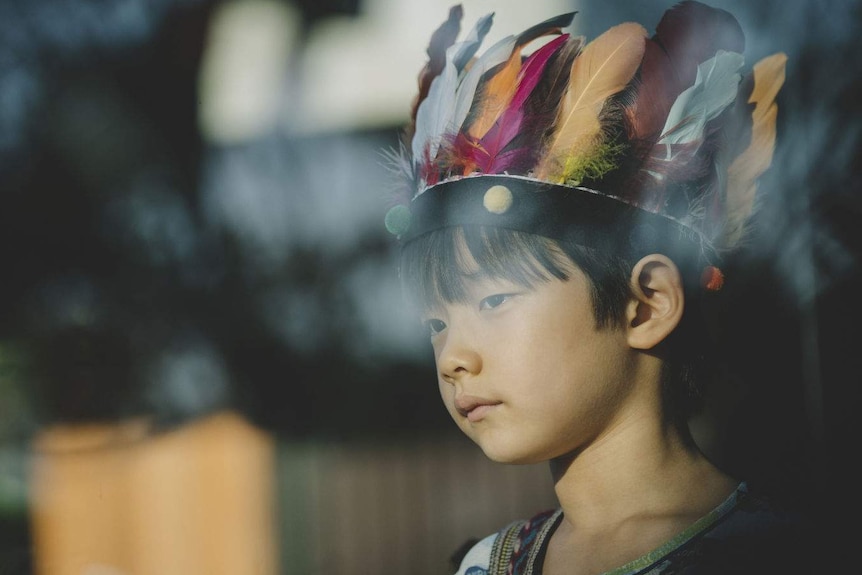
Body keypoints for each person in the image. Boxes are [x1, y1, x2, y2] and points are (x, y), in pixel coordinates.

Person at [384, 2, 814, 573]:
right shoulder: (486, 564)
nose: (453, 359)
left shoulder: (779, 557)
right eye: (436, 324)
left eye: (493, 301)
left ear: (646, 305)